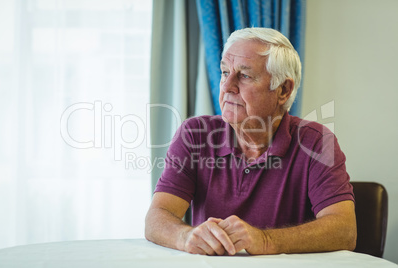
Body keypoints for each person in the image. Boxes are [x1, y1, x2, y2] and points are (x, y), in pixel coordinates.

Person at [145, 27, 356, 256]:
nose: (226, 87)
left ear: (283, 90)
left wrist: (265, 240)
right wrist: (184, 236)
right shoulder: (195, 134)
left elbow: (344, 230)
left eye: (244, 76)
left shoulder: (316, 142)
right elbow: (157, 217)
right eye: (225, 72)